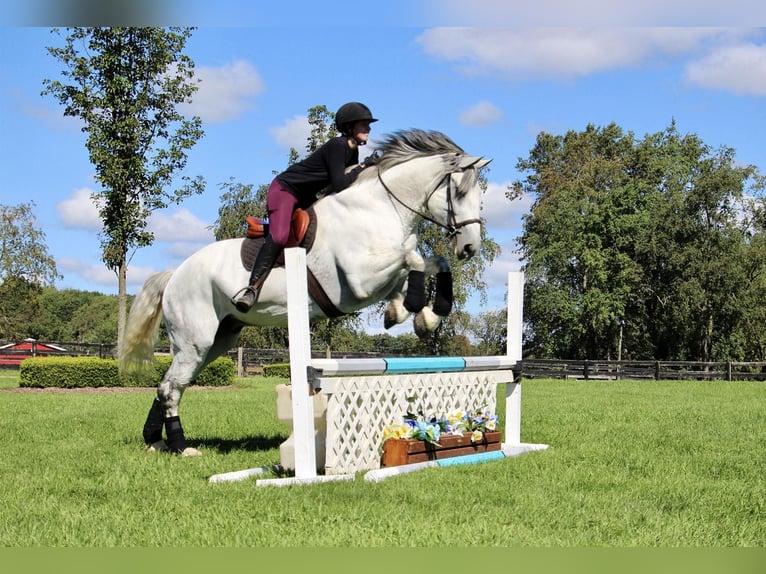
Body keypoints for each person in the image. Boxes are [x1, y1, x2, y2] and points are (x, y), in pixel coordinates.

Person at [232, 101, 380, 312]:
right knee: (281, 236)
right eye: (363, 124)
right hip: (285, 190)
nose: (368, 128)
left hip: (306, 196)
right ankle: (252, 289)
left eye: (368, 124)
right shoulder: (337, 146)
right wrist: (365, 166)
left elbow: (344, 187)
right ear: (349, 127)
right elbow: (340, 184)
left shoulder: (351, 152)